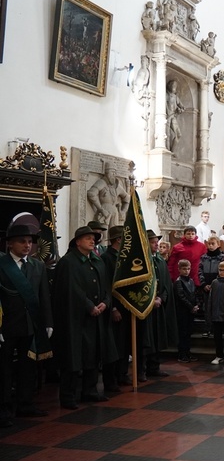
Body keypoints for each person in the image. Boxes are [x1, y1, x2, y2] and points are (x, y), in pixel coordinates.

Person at [53, 226, 118, 409]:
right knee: (73, 356)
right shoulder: (68, 262)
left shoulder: (97, 261)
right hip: (76, 318)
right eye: (88, 238)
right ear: (77, 241)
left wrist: (106, 302)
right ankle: (68, 396)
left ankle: (89, 391)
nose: (92, 241)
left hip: (96, 317)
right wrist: (89, 306)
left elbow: (106, 285)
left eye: (94, 238)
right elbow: (71, 288)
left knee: (93, 353)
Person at [0, 224, 53, 425]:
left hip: (31, 324)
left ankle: (25, 404)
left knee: (28, 366)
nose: (27, 245)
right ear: (10, 244)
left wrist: (48, 322)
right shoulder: (2, 264)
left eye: (30, 242)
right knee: (4, 369)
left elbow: (43, 297)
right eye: (22, 241)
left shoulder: (37, 265)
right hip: (7, 326)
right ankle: (4, 409)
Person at [144, 229, 178, 379]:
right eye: (152, 242)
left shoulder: (159, 261)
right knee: (146, 338)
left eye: (156, 242)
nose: (156, 245)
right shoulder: (141, 261)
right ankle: (142, 368)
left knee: (157, 337)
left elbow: (165, 283)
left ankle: (154, 366)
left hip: (158, 305)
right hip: (145, 307)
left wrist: (161, 298)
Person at [100, 225, 129, 392]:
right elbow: (107, 285)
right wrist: (113, 308)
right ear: (119, 239)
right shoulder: (107, 258)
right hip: (114, 307)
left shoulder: (123, 256)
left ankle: (122, 374)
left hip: (125, 306)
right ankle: (110, 380)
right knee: (113, 345)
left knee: (123, 343)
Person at [86, 163, 129, 230]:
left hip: (115, 211)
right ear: (107, 173)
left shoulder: (117, 186)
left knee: (115, 234)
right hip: (105, 210)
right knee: (104, 235)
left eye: (115, 172)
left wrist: (123, 211)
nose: (114, 174)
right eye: (112, 172)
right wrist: (100, 209)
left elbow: (127, 198)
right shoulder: (102, 182)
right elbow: (91, 193)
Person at [198, 236, 224, 337]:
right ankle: (208, 328)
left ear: (218, 244)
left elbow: (221, 272)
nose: (211, 246)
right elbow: (200, 271)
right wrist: (203, 284)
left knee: (217, 308)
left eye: (213, 244)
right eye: (209, 244)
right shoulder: (203, 257)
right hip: (206, 287)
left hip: (217, 286)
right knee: (207, 308)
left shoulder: (222, 257)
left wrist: (214, 285)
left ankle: (217, 330)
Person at [174, 259, 199, 363]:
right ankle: (182, 354)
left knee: (188, 333)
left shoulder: (191, 280)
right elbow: (181, 296)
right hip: (182, 311)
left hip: (190, 311)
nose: (186, 271)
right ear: (179, 269)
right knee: (183, 333)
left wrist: (196, 305)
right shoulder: (178, 281)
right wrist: (191, 307)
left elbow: (194, 293)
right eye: (184, 269)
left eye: (188, 269)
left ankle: (188, 352)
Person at [166, 79, 186, 152]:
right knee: (167, 134)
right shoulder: (167, 94)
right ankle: (167, 150)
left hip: (173, 116)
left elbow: (183, 107)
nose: (174, 87)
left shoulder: (175, 97)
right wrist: (168, 112)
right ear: (170, 86)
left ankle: (172, 151)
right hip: (167, 116)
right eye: (173, 85)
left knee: (178, 134)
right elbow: (164, 104)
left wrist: (180, 110)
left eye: (175, 86)